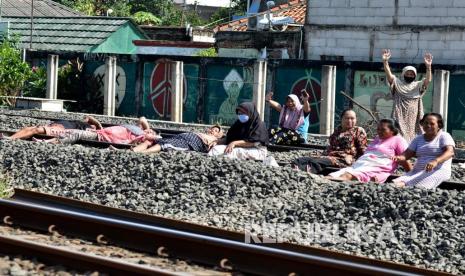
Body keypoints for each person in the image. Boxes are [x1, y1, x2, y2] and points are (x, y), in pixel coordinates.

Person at [327, 119, 412, 183]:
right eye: (378, 129)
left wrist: (411, 175)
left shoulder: (398, 140)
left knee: (347, 175)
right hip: (361, 164)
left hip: (376, 167)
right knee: (332, 175)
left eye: (383, 130)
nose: (379, 131)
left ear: (393, 131)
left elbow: (405, 158)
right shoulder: (378, 138)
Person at [292, 109, 367, 174]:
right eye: (347, 118)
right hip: (329, 155)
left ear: (356, 119)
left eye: (352, 118)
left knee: (316, 162)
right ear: (342, 119)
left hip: (343, 159)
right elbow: (331, 146)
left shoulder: (358, 131)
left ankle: (303, 173)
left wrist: (356, 161)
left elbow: (363, 150)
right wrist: (320, 154)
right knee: (300, 160)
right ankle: (294, 170)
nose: (349, 121)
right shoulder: (338, 130)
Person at [392, 113, 455, 189]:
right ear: (422, 124)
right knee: (395, 182)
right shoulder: (418, 139)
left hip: (438, 170)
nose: (428, 126)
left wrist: (436, 161)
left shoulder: (444, 136)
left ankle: (406, 185)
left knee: (412, 185)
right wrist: (399, 157)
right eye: (426, 123)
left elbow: (450, 152)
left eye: (432, 124)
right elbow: (408, 153)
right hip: (417, 171)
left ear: (439, 125)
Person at [382, 49, 433, 142]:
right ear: (403, 74)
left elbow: (428, 81)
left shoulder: (418, 85)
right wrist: (385, 62)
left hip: (413, 116)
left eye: (412, 74)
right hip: (398, 113)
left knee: (412, 136)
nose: (409, 75)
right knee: (397, 134)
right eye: (407, 73)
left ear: (415, 75)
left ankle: (410, 153)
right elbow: (389, 75)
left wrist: (428, 67)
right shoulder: (397, 83)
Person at [39, 117, 157, 145]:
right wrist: (146, 128)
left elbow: (130, 143)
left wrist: (148, 134)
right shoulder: (139, 129)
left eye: (152, 132)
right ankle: (48, 140)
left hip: (103, 138)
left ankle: (51, 142)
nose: (150, 131)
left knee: (77, 133)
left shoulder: (140, 136)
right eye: (151, 130)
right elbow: (142, 118)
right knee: (72, 131)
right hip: (102, 133)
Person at [132, 125, 224, 154]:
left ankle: (142, 153)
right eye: (212, 129)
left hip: (191, 142)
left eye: (216, 131)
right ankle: (132, 151)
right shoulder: (203, 133)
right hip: (183, 137)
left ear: (219, 135)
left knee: (164, 144)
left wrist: (216, 139)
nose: (212, 131)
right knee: (150, 141)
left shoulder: (216, 139)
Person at [4, 117, 98, 140]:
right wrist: (96, 123)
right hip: (56, 125)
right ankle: (11, 138)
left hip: (61, 129)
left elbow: (92, 121)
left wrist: (98, 126)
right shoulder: (83, 123)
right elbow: (89, 118)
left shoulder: (89, 129)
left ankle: (11, 138)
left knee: (35, 130)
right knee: (31, 128)